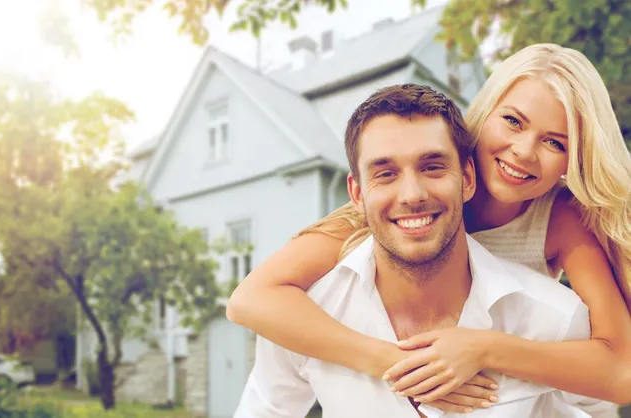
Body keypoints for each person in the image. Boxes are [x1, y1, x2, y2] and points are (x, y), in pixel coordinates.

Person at [227, 43, 631, 413]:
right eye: (512, 121)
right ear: (485, 113)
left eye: (556, 143)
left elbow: (620, 371)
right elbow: (250, 299)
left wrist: (484, 349)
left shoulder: (559, 221)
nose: (524, 151)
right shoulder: (379, 218)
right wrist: (396, 364)